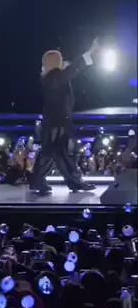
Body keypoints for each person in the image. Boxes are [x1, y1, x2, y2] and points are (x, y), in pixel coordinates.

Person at [29, 40, 101, 195]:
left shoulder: (53, 77)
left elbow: (70, 70)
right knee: (54, 153)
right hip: (56, 122)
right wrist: (89, 53)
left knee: (60, 154)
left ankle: (68, 182)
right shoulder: (54, 77)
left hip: (57, 122)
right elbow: (73, 70)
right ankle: (42, 181)